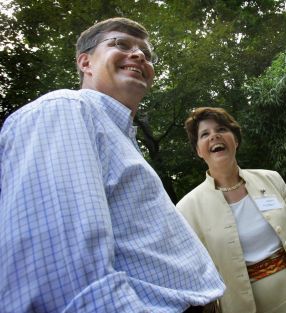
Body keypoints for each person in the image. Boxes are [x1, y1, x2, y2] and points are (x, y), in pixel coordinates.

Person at [0, 17, 224, 312]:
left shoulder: (117, 137)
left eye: (146, 52)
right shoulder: (65, 110)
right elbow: (60, 274)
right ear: (85, 63)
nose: (140, 54)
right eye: (120, 44)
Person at [177, 107, 286, 313]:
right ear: (198, 151)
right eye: (204, 134)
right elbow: (197, 279)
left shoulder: (271, 179)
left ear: (235, 140)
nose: (214, 136)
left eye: (221, 129)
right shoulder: (187, 209)